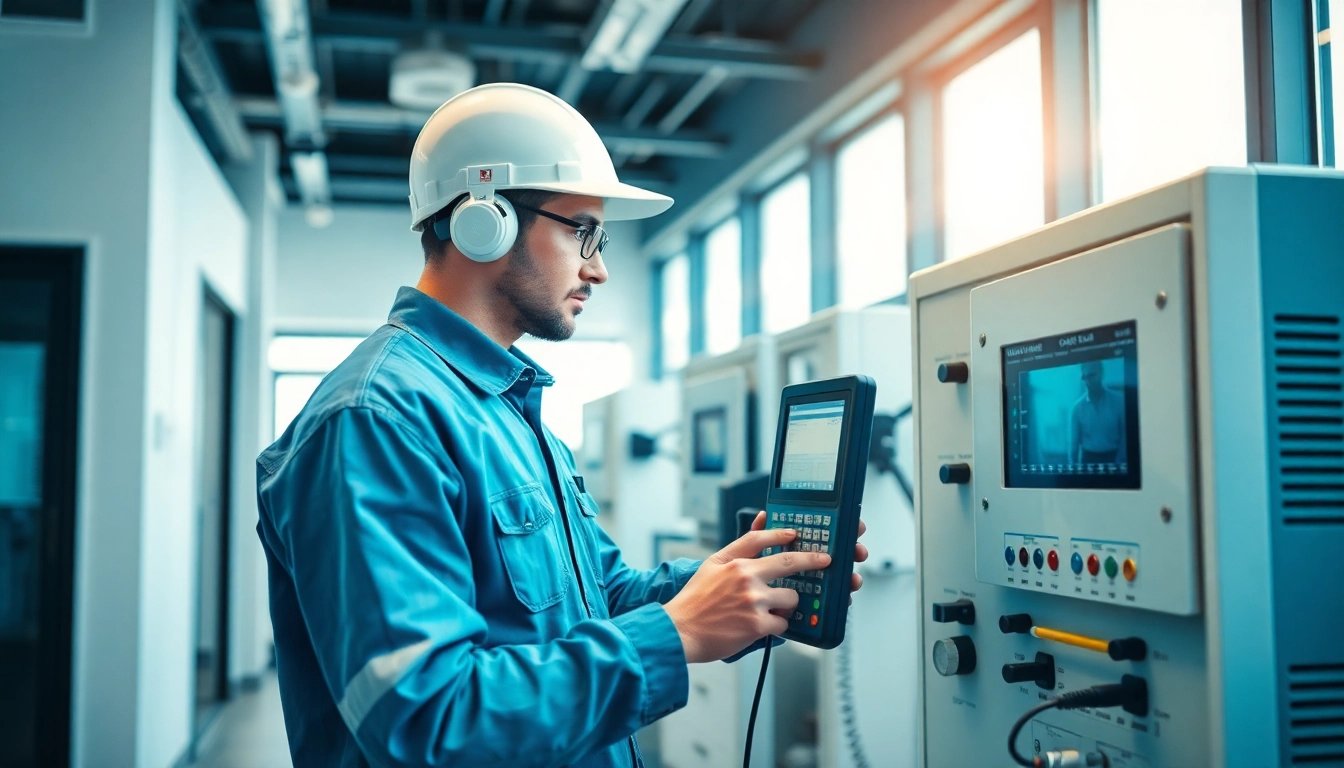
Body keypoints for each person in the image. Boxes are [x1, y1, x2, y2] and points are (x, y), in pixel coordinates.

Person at [255, 83, 869, 768]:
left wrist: (740, 587)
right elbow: (426, 719)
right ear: (483, 220)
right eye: (584, 230)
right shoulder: (374, 423)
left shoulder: (512, 412)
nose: (599, 268)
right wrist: (676, 633)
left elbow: (597, 598)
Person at [1070, 361, 1127, 467]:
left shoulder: (1119, 401)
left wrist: (1120, 462)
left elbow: (1125, 436)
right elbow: (1074, 445)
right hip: (1088, 459)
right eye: (1085, 377)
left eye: (1091, 375)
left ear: (1101, 373)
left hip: (1113, 457)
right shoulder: (1077, 408)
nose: (1088, 381)